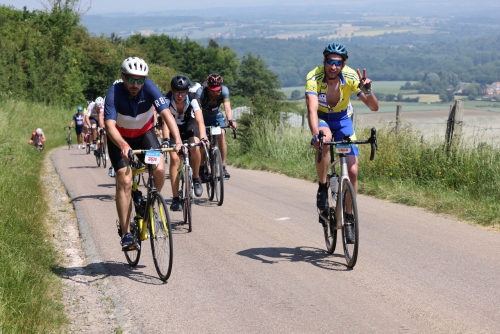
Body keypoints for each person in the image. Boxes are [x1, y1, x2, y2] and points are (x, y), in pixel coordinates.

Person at [104, 57, 182, 251]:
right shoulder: (114, 93)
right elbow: (109, 125)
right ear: (123, 77)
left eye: (140, 80)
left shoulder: (149, 88)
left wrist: (178, 140)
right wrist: (122, 144)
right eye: (131, 79)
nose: (136, 84)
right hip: (119, 139)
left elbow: (166, 114)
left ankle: (151, 201)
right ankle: (126, 234)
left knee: (158, 168)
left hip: (144, 135)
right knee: (125, 179)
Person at [306, 42, 379, 240]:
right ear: (324, 61)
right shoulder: (314, 76)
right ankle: (322, 187)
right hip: (322, 119)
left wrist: (368, 91)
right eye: (330, 61)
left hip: (343, 120)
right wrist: (315, 134)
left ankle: (348, 218)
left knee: (353, 171)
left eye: (338, 63)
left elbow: (373, 108)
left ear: (343, 64)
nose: (333, 66)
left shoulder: (350, 76)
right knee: (324, 139)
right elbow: (312, 109)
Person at [163, 74, 208, 211]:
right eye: (176, 92)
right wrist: (165, 140)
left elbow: (200, 120)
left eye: (182, 92)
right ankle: (176, 198)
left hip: (189, 123)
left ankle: (196, 178)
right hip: (172, 127)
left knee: (195, 147)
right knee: (174, 158)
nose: (180, 95)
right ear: (172, 90)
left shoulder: (193, 99)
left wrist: (203, 137)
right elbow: (165, 122)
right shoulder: (166, 99)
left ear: (187, 91)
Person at [196, 73, 236, 180]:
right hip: (202, 117)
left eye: (217, 89)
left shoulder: (224, 91)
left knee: (221, 135)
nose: (215, 91)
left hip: (216, 117)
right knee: (203, 143)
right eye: (212, 89)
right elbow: (196, 110)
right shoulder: (201, 92)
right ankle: (201, 169)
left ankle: (223, 167)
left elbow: (227, 108)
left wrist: (230, 120)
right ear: (208, 86)